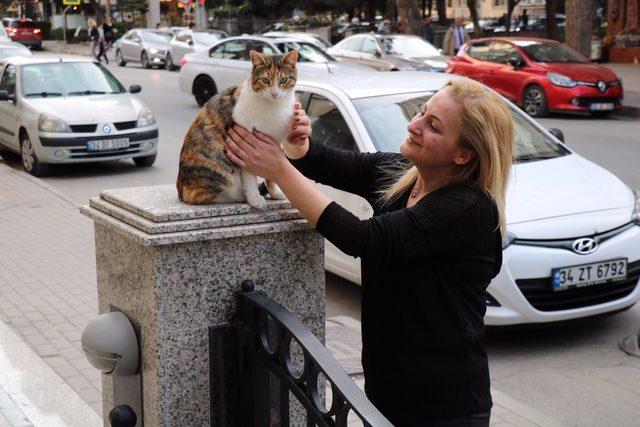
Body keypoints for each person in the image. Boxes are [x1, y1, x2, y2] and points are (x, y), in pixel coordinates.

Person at [223, 78, 515, 426]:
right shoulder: (404, 174)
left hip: (445, 408)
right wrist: (297, 145)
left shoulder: (469, 208)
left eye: (433, 125)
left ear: (463, 154)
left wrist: (279, 169)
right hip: (386, 392)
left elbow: (363, 239)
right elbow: (329, 163)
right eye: (422, 112)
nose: (414, 124)